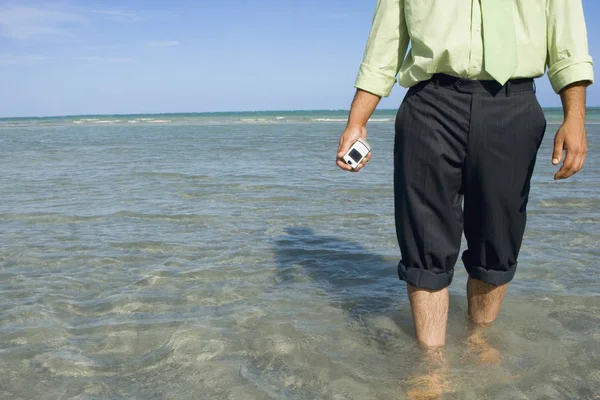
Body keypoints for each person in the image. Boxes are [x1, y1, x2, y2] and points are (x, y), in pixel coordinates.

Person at [336, 0, 594, 349]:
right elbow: (385, 44)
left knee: (498, 242)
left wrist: (575, 117)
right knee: (424, 242)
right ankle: (431, 366)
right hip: (430, 104)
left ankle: (478, 342)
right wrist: (357, 122)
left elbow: (568, 40)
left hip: (514, 104)